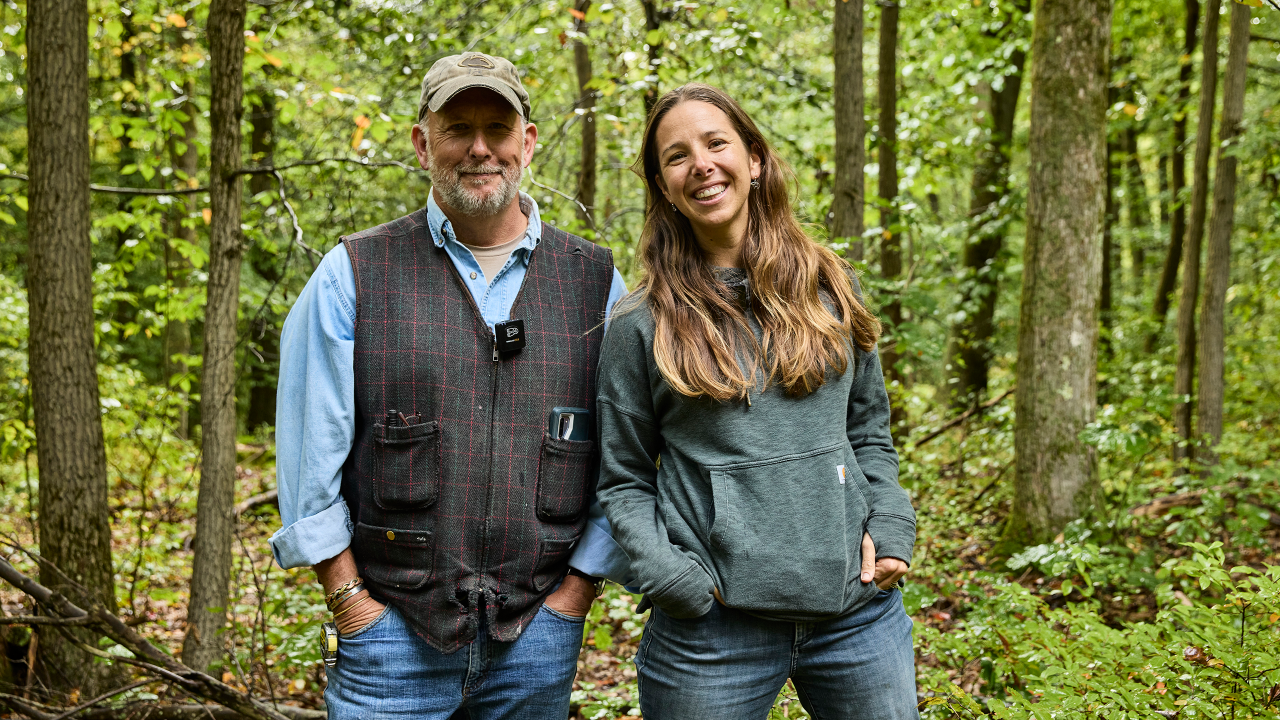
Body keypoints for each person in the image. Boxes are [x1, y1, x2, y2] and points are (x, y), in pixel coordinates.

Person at [269, 52, 632, 719]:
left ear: (528, 141)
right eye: (457, 128)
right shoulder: (354, 272)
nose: (479, 148)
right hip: (390, 640)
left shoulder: (595, 282)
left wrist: (576, 594)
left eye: (498, 128)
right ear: (422, 143)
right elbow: (308, 456)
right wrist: (350, 603)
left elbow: (626, 457)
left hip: (537, 636)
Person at [595, 83, 919, 719]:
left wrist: (890, 524)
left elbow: (868, 430)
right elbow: (623, 478)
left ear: (755, 159)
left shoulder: (832, 286)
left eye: (716, 144)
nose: (702, 165)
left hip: (856, 616)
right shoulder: (640, 324)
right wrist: (672, 578)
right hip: (710, 635)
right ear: (663, 186)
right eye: (677, 156)